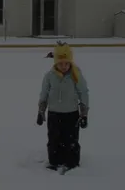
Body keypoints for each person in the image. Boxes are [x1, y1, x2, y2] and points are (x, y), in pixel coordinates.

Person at [36, 41, 89, 172]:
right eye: (60, 63)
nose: (64, 66)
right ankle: (54, 161)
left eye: (66, 63)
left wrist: (84, 114)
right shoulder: (49, 76)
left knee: (71, 139)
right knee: (54, 139)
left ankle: (71, 162)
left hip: (71, 114)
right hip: (54, 114)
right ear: (55, 63)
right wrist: (41, 111)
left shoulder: (76, 75)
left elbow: (83, 93)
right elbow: (44, 94)